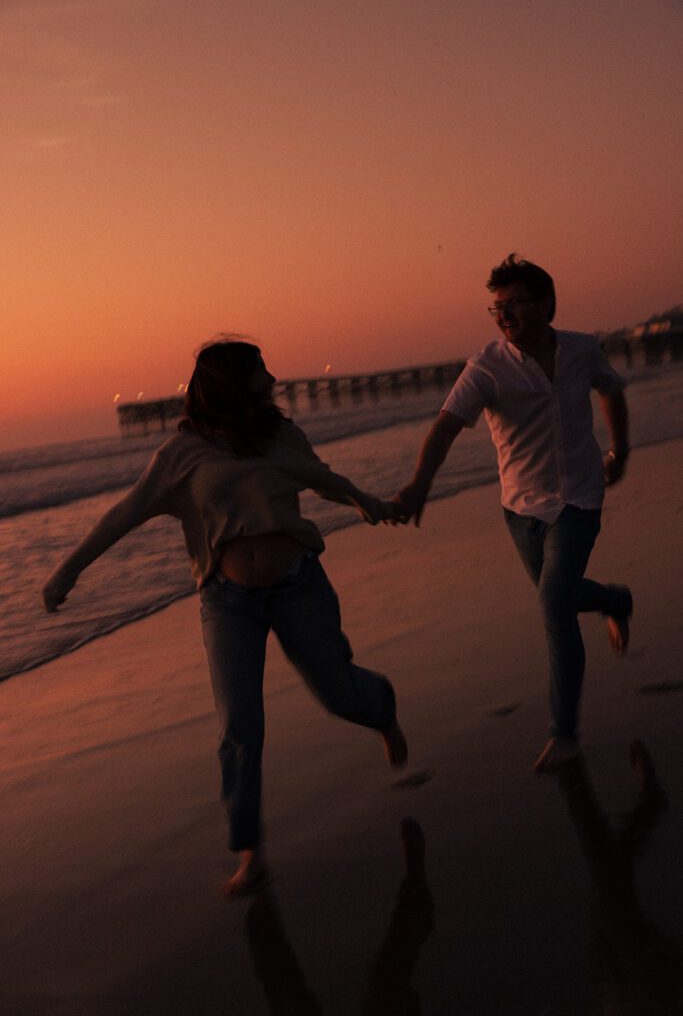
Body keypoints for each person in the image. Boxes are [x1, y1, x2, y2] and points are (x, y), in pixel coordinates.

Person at [43, 339, 408, 895]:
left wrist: (373, 506)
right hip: (226, 600)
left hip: (298, 587)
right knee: (239, 727)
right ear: (235, 380)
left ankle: (381, 709)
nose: (274, 375)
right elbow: (126, 512)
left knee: (339, 694)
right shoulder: (182, 453)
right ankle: (249, 851)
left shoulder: (283, 435)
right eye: (262, 368)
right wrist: (68, 571)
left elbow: (326, 480)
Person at [394, 254, 632, 773]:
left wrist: (621, 451)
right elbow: (446, 427)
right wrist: (419, 485)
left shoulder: (581, 349)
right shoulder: (486, 367)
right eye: (495, 308)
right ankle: (614, 599)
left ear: (545, 304)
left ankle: (564, 734)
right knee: (563, 597)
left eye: (514, 304)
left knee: (553, 608)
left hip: (580, 498)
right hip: (521, 509)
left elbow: (612, 391)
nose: (503, 315)